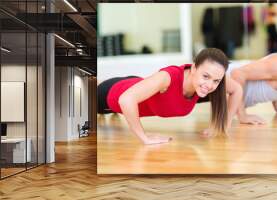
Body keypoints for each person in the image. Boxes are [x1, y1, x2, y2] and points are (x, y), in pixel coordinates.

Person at [97, 48, 242, 145]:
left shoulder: (209, 81)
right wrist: (144, 137)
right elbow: (126, 99)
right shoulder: (168, 78)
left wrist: (224, 124)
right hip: (110, 94)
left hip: (135, 82)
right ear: (193, 68)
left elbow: (237, 89)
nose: (210, 85)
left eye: (216, 80)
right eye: (206, 76)